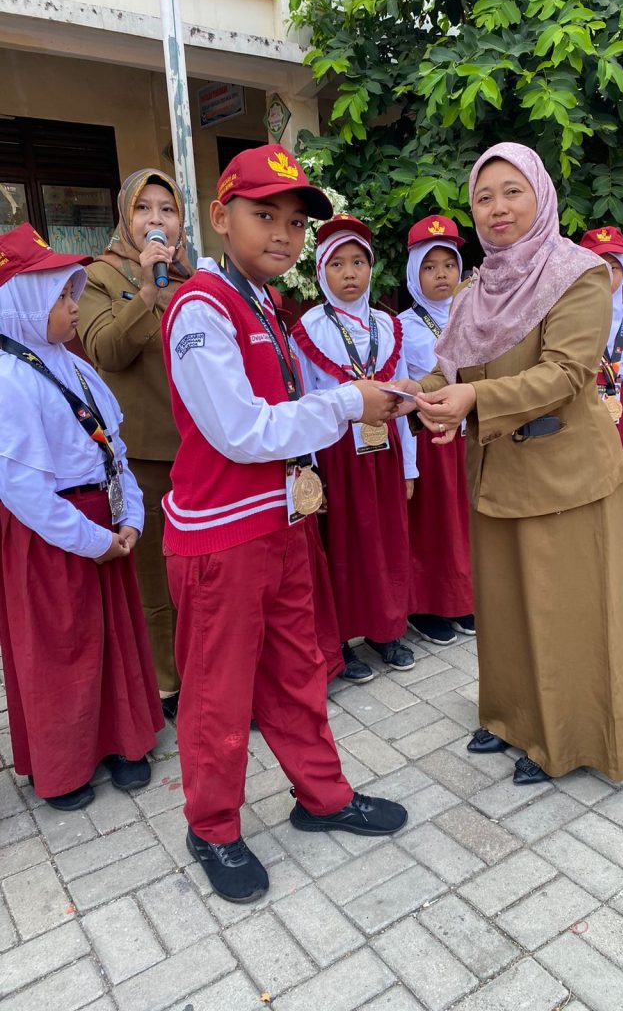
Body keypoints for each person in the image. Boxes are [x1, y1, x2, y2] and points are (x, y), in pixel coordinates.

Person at [160, 147, 408, 904]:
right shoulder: (203, 308)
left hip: (279, 523)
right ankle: (212, 827)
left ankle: (322, 796)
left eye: (296, 222)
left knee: (300, 671)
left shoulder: (263, 301)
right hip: (222, 536)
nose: (282, 234)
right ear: (220, 215)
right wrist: (350, 402)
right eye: (263, 214)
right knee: (218, 695)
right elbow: (242, 430)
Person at [403, 142, 623, 785]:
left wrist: (474, 401)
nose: (497, 208)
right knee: (505, 608)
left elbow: (565, 373)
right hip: (496, 472)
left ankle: (566, 742)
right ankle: (511, 718)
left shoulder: (578, 274)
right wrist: (415, 395)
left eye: (512, 191)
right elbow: (453, 370)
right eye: (484, 197)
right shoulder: (477, 288)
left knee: (565, 611)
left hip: (565, 476)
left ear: (540, 195)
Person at [0, 223, 163, 811]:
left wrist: (130, 516)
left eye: (73, 293)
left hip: (102, 521)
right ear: (22, 303)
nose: (74, 306)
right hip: (54, 534)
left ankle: (122, 739)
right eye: (61, 296)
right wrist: (91, 539)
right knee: (62, 646)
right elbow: (22, 488)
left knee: (113, 634)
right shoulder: (8, 379)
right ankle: (65, 765)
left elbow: (112, 447)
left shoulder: (73, 365)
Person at [78, 169, 193, 720]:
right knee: (154, 573)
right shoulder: (98, 275)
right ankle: (167, 680)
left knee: (201, 568)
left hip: (202, 446)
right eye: (143, 208)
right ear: (126, 217)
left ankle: (206, 665)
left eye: (167, 209)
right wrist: (147, 290)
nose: (156, 220)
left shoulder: (195, 275)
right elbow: (105, 350)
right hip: (144, 454)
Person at [291, 214, 417, 682]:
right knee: (341, 545)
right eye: (337, 263)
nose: (349, 273)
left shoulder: (387, 325)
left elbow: (403, 399)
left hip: (384, 449)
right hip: (335, 454)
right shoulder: (308, 329)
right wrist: (308, 473)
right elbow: (302, 400)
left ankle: (387, 630)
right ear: (321, 271)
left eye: (358, 262)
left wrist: (410, 467)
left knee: (387, 540)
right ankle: (342, 640)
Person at [398, 215, 474, 645]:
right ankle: (427, 605)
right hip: (429, 438)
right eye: (429, 266)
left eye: (448, 265)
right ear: (414, 273)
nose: (441, 274)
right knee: (434, 522)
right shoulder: (402, 327)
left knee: (466, 518)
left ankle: (463, 598)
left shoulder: (475, 316)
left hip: (469, 433)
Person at [578, 226, 623, 555]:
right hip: (581, 409)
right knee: (585, 481)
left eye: (615, 267)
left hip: (618, 405)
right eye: (598, 266)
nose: (607, 274)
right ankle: (586, 554)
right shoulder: (569, 316)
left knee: (621, 479)